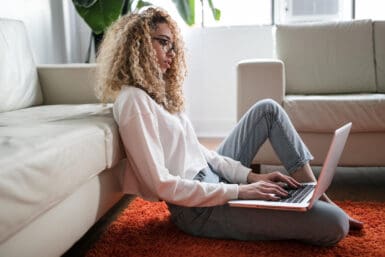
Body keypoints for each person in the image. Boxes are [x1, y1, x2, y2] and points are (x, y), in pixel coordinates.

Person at [95, 7, 363, 246]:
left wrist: (250, 177)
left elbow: (200, 153)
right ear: (139, 43)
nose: (171, 53)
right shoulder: (133, 101)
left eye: (173, 45)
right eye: (163, 42)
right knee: (335, 224)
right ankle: (315, 204)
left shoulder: (158, 94)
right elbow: (161, 184)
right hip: (197, 209)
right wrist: (238, 191)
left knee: (267, 110)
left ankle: (315, 194)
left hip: (213, 179)